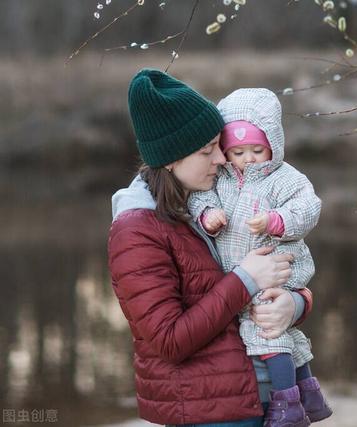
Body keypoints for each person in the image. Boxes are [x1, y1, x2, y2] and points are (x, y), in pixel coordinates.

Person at [108, 69, 314, 427]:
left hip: (259, 397)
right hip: (209, 413)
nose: (222, 159)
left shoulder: (213, 202)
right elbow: (169, 340)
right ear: (171, 159)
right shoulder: (137, 230)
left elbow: (270, 277)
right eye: (208, 151)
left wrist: (295, 303)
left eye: (220, 146)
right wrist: (246, 278)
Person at [188, 89, 332, 426]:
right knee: (283, 333)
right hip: (240, 271)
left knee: (267, 329)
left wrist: (278, 221)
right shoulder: (219, 179)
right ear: (226, 150)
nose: (248, 159)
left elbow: (308, 207)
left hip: (280, 262)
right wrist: (208, 213)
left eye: (257, 149)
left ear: (273, 145)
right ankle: (308, 392)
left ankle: (287, 403)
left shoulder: (285, 178)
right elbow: (196, 199)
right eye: (238, 151)